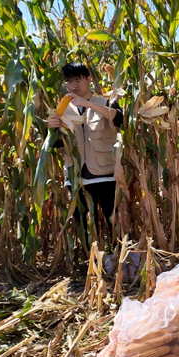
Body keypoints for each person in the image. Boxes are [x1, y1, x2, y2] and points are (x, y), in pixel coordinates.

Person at [47, 62, 122, 240]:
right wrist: (51, 129)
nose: (73, 86)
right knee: (84, 223)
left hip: (105, 174)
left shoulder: (106, 103)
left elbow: (120, 119)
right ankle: (91, 256)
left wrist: (88, 104)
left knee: (114, 220)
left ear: (88, 79)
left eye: (78, 80)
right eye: (68, 81)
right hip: (77, 175)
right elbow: (56, 144)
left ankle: (120, 254)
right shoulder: (62, 110)